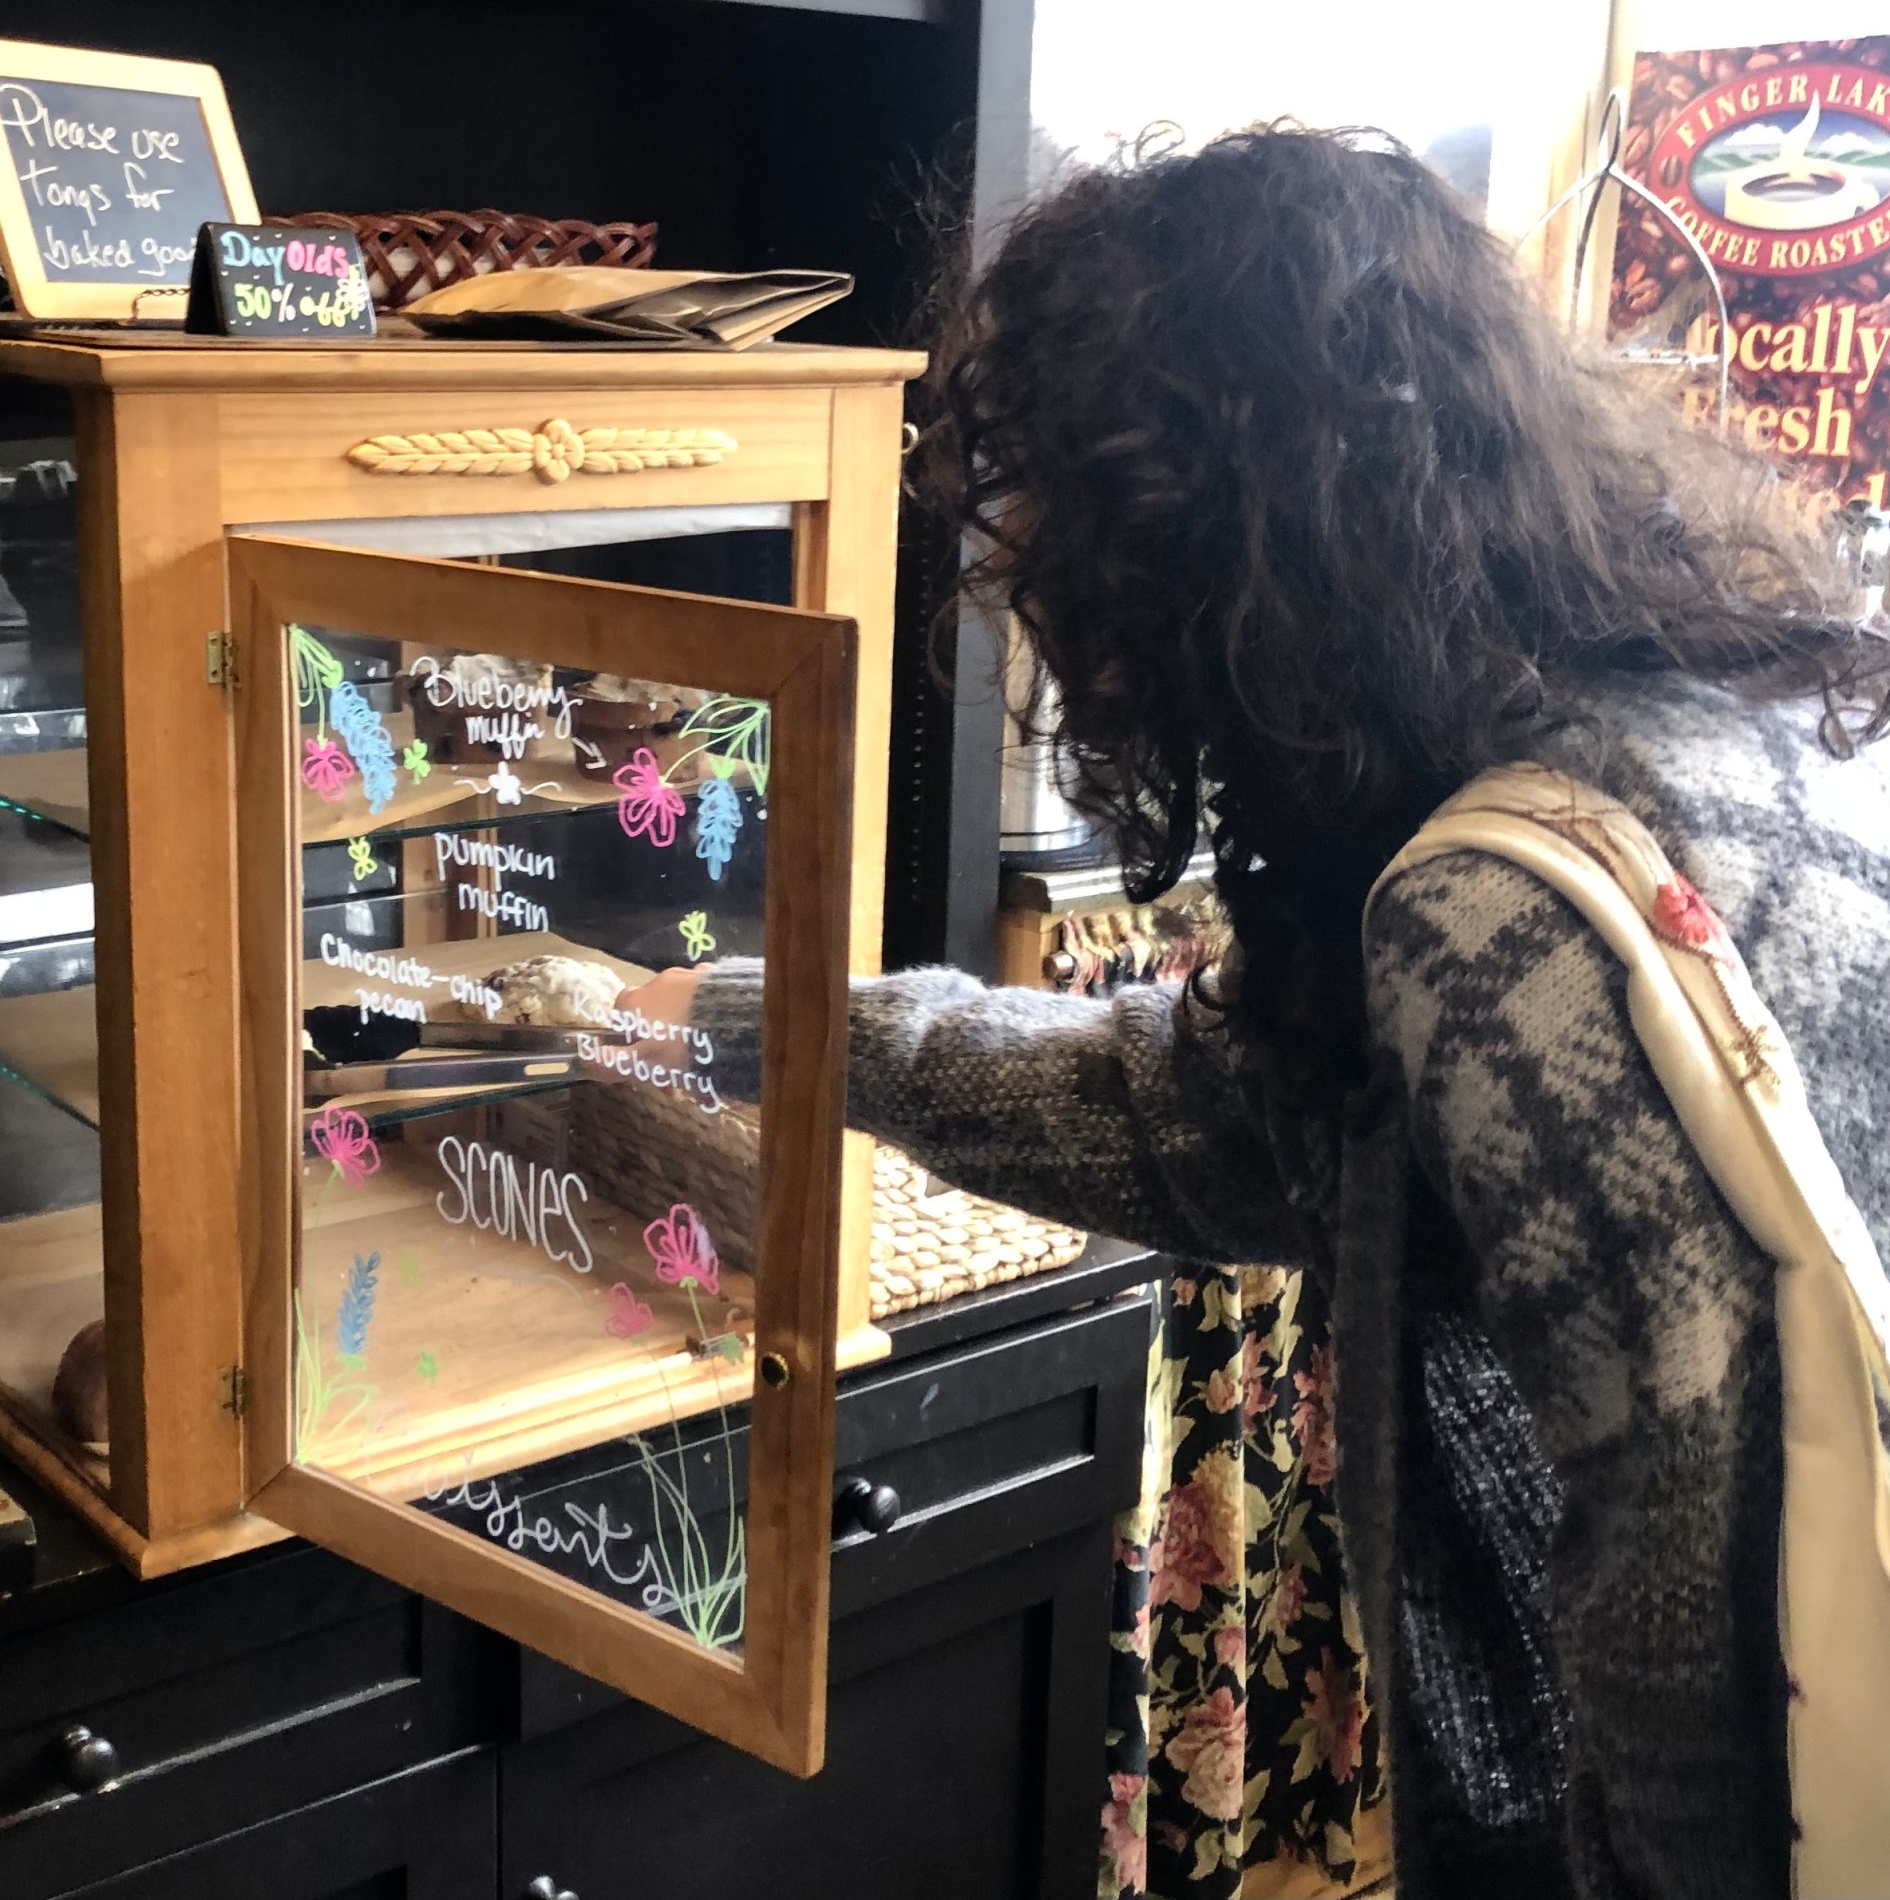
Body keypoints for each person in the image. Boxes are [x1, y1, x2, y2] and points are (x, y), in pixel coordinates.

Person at [642, 123, 1890, 1899]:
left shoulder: (1507, 926)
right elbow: (1232, 1123)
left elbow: (1690, 1637)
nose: (1055, 618)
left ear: (1212, 544)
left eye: (1074, 540)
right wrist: (791, 1030)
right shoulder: (1697, 710)